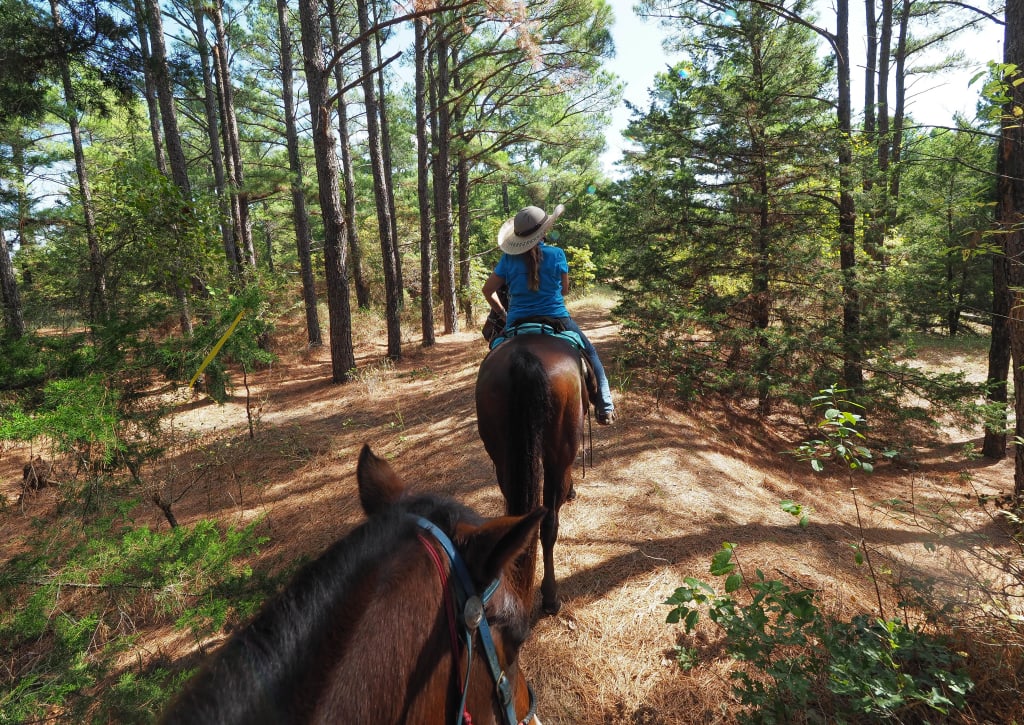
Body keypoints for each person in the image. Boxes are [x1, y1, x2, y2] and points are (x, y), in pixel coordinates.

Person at [482, 204, 615, 425]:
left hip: (517, 322)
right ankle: (605, 405)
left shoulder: (508, 260)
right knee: (590, 353)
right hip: (558, 319)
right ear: (544, 230)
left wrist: (503, 313)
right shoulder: (557, 254)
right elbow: (564, 290)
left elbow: (487, 291)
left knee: (492, 358)